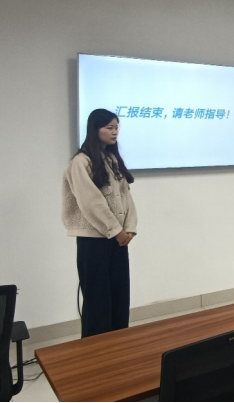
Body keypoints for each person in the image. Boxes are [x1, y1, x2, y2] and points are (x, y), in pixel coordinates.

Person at [62, 109, 138, 338]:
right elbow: (91, 202)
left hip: (118, 239)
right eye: (109, 128)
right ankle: (95, 351)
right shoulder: (81, 162)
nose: (115, 132)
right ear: (95, 129)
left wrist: (130, 228)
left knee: (119, 295)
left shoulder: (112, 159)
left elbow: (125, 196)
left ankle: (118, 345)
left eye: (117, 127)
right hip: (94, 241)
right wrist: (115, 230)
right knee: (98, 300)